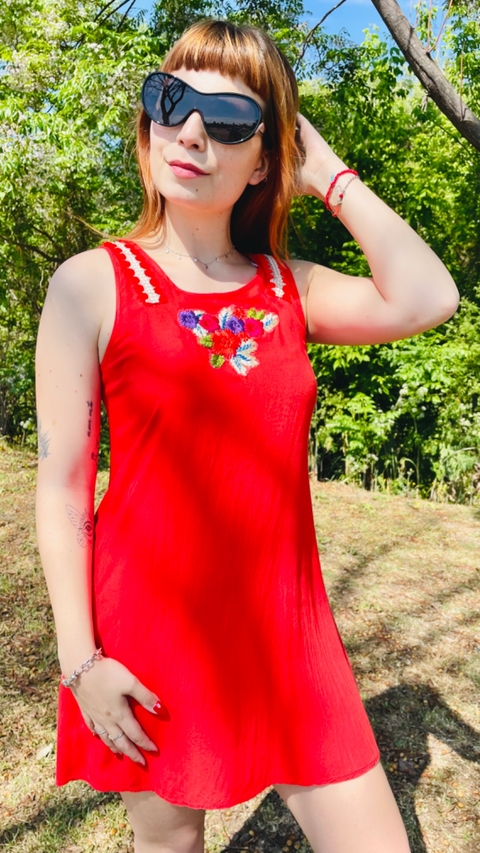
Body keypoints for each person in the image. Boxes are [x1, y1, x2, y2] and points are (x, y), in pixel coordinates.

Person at [35, 19, 458, 853]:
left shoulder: (290, 289)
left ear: (267, 159)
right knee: (172, 846)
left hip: (291, 643)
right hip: (149, 636)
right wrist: (81, 662)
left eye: (230, 120)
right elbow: (62, 486)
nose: (190, 130)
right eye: (172, 100)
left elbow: (426, 296)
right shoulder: (92, 284)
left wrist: (330, 175)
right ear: (150, 119)